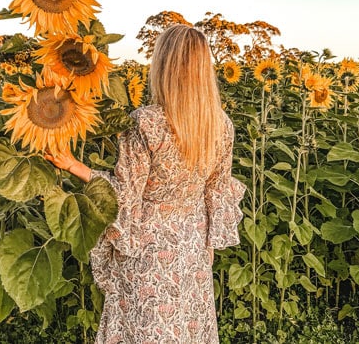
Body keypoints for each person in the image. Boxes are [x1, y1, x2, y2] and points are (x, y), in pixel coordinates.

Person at [44, 24, 246, 344]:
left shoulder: (146, 122)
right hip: (193, 248)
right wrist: (206, 247)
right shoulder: (220, 125)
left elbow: (123, 196)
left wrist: (75, 166)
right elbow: (217, 190)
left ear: (163, 66)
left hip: (147, 250)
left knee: (142, 330)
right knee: (186, 329)